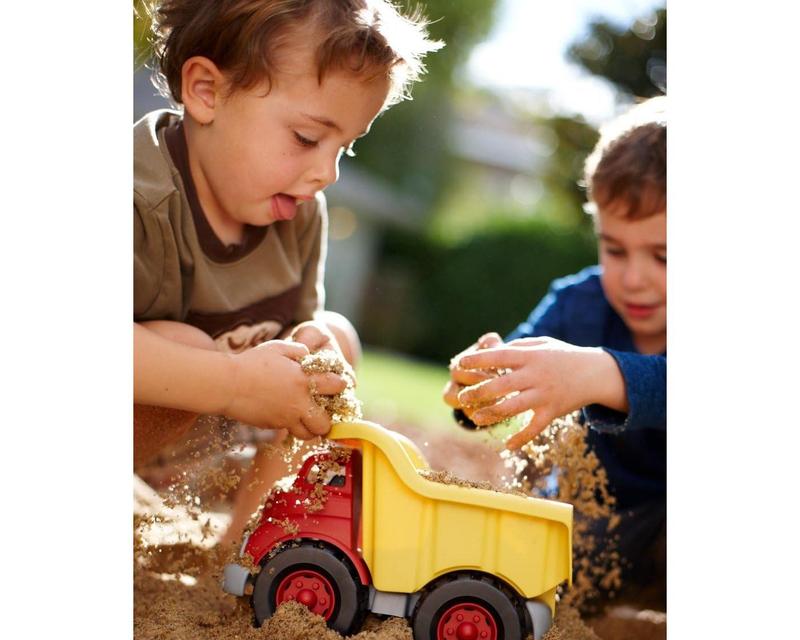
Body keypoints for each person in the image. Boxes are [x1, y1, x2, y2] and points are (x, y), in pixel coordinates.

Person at [134, 0, 441, 543]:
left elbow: (300, 336)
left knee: (334, 343)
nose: (326, 173)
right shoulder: (136, 199)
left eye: (344, 148)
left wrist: (312, 339)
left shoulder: (297, 214)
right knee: (180, 341)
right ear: (206, 92)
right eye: (306, 138)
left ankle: (245, 548)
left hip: (193, 454)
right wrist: (231, 382)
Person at [445, 96, 666, 590]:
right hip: (596, 529)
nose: (634, 278)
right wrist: (476, 388)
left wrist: (598, 372)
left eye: (664, 257)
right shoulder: (577, 304)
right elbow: (507, 377)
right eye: (615, 249)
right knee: (521, 562)